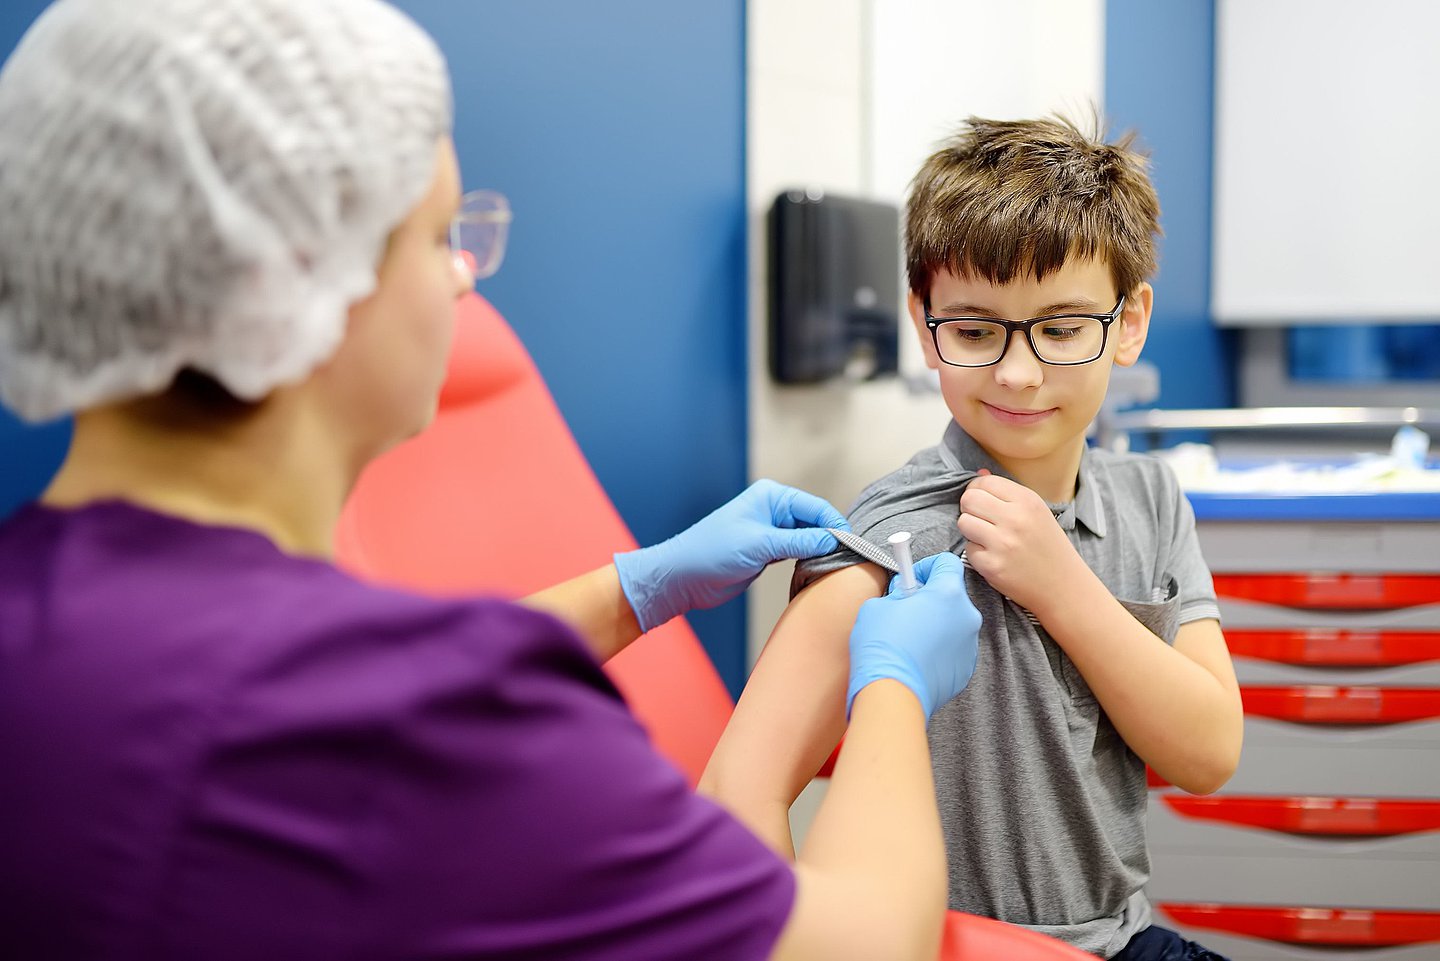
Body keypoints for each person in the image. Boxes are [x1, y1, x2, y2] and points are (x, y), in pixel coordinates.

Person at [0, 1, 985, 958]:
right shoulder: (433, 731)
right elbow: (860, 942)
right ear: (294, 282)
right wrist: (894, 688)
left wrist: (637, 587)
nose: (466, 276)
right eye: (438, 238)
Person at [699, 116, 1244, 961]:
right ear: (925, 325)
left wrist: (1060, 585)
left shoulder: (1150, 497)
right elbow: (740, 791)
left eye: (1062, 329)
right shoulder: (893, 539)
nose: (1019, 374)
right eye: (976, 330)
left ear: (1129, 320)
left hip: (1125, 939)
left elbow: (1210, 752)